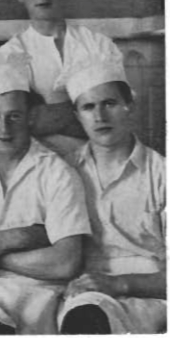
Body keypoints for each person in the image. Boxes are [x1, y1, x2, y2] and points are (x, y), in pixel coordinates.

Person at [0, 51, 91, 334]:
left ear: (31, 117)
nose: (4, 128)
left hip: (40, 293)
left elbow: (66, 263)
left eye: (14, 116)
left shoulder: (58, 173)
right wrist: (23, 237)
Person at [55, 55, 166, 334]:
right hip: (85, 293)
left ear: (130, 105)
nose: (100, 117)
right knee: (85, 317)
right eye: (88, 107)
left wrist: (120, 283)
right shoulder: (63, 171)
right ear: (77, 116)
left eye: (109, 103)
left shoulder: (161, 174)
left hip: (152, 297)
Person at [0, 0, 124, 156]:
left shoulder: (99, 45)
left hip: (102, 156)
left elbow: (119, 114)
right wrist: (81, 110)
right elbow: (14, 126)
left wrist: (42, 113)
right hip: (40, 162)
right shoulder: (9, 54)